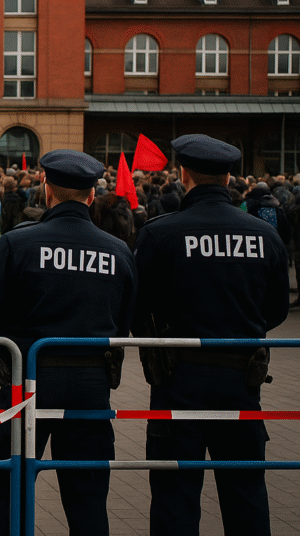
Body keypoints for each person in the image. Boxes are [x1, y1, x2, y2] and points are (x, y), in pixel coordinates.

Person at [0, 150, 137, 536]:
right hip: (90, 387)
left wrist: (12, 353)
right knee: (88, 496)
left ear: (46, 191)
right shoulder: (118, 251)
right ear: (92, 195)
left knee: (7, 489)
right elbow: (125, 321)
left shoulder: (18, 243)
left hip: (27, 380)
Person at [131, 135, 289, 536]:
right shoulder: (263, 234)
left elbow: (137, 307)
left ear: (184, 174)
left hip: (176, 379)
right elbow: (276, 309)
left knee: (174, 492)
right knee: (246, 489)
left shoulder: (160, 233)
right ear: (229, 176)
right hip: (242, 379)